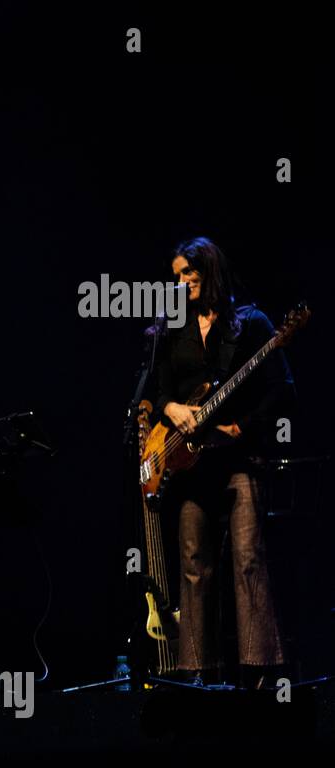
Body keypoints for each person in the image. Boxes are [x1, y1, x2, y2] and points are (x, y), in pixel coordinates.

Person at [152, 237, 295, 688]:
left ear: (208, 270)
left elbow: (281, 387)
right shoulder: (174, 327)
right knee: (194, 562)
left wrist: (243, 426)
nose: (180, 282)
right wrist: (170, 408)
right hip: (191, 465)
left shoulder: (250, 322)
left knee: (248, 560)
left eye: (186, 273)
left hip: (238, 458)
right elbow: (159, 388)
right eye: (175, 275)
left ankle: (259, 669)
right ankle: (196, 668)